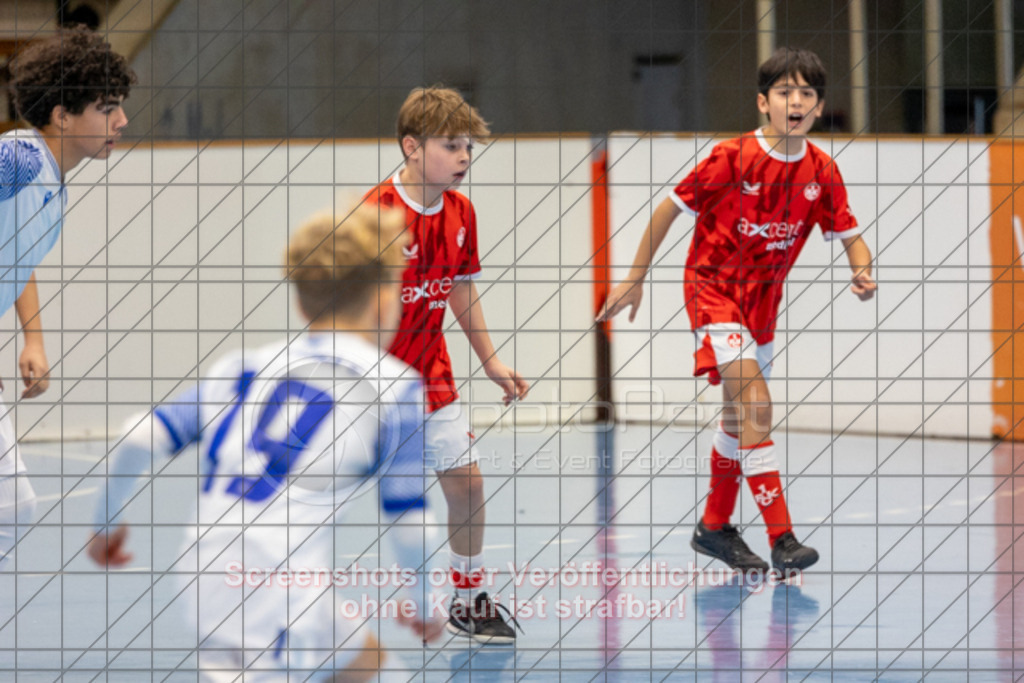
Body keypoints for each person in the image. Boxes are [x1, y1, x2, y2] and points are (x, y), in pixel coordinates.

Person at [88, 205, 444, 680]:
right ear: (384, 300)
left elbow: (139, 435)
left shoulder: (245, 366)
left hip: (212, 571)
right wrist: (425, 600)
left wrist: (107, 523)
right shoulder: (395, 386)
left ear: (301, 303)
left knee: (370, 665)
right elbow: (411, 523)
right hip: (272, 590)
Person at [598, 47, 876, 575]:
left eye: (807, 93)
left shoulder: (822, 170)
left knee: (737, 418)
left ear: (818, 107)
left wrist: (860, 269)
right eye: (784, 92)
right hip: (712, 291)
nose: (796, 101)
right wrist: (633, 279)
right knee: (758, 405)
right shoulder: (732, 157)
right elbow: (668, 209)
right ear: (763, 103)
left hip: (762, 308)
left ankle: (714, 527)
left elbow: (850, 235)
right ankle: (783, 538)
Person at [363, 86, 529, 643]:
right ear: (411, 147)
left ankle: (468, 599)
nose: (463, 157)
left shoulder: (461, 212)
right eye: (451, 145)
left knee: (467, 484)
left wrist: (491, 360)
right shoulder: (374, 214)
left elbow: (459, 289)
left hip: (430, 376)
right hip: (368, 382)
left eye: (468, 147)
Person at [0, 26, 134, 568]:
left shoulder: (50, 184)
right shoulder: (23, 159)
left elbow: (15, 257)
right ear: (61, 116)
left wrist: (33, 336)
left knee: (12, 508)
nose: (122, 121)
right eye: (107, 108)